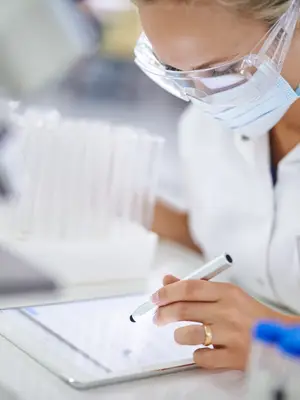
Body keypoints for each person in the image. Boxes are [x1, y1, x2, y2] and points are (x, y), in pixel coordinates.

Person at [132, 0, 300, 370]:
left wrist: (282, 339)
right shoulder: (205, 127)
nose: (204, 96)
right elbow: (257, 252)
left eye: (222, 70)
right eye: (175, 71)